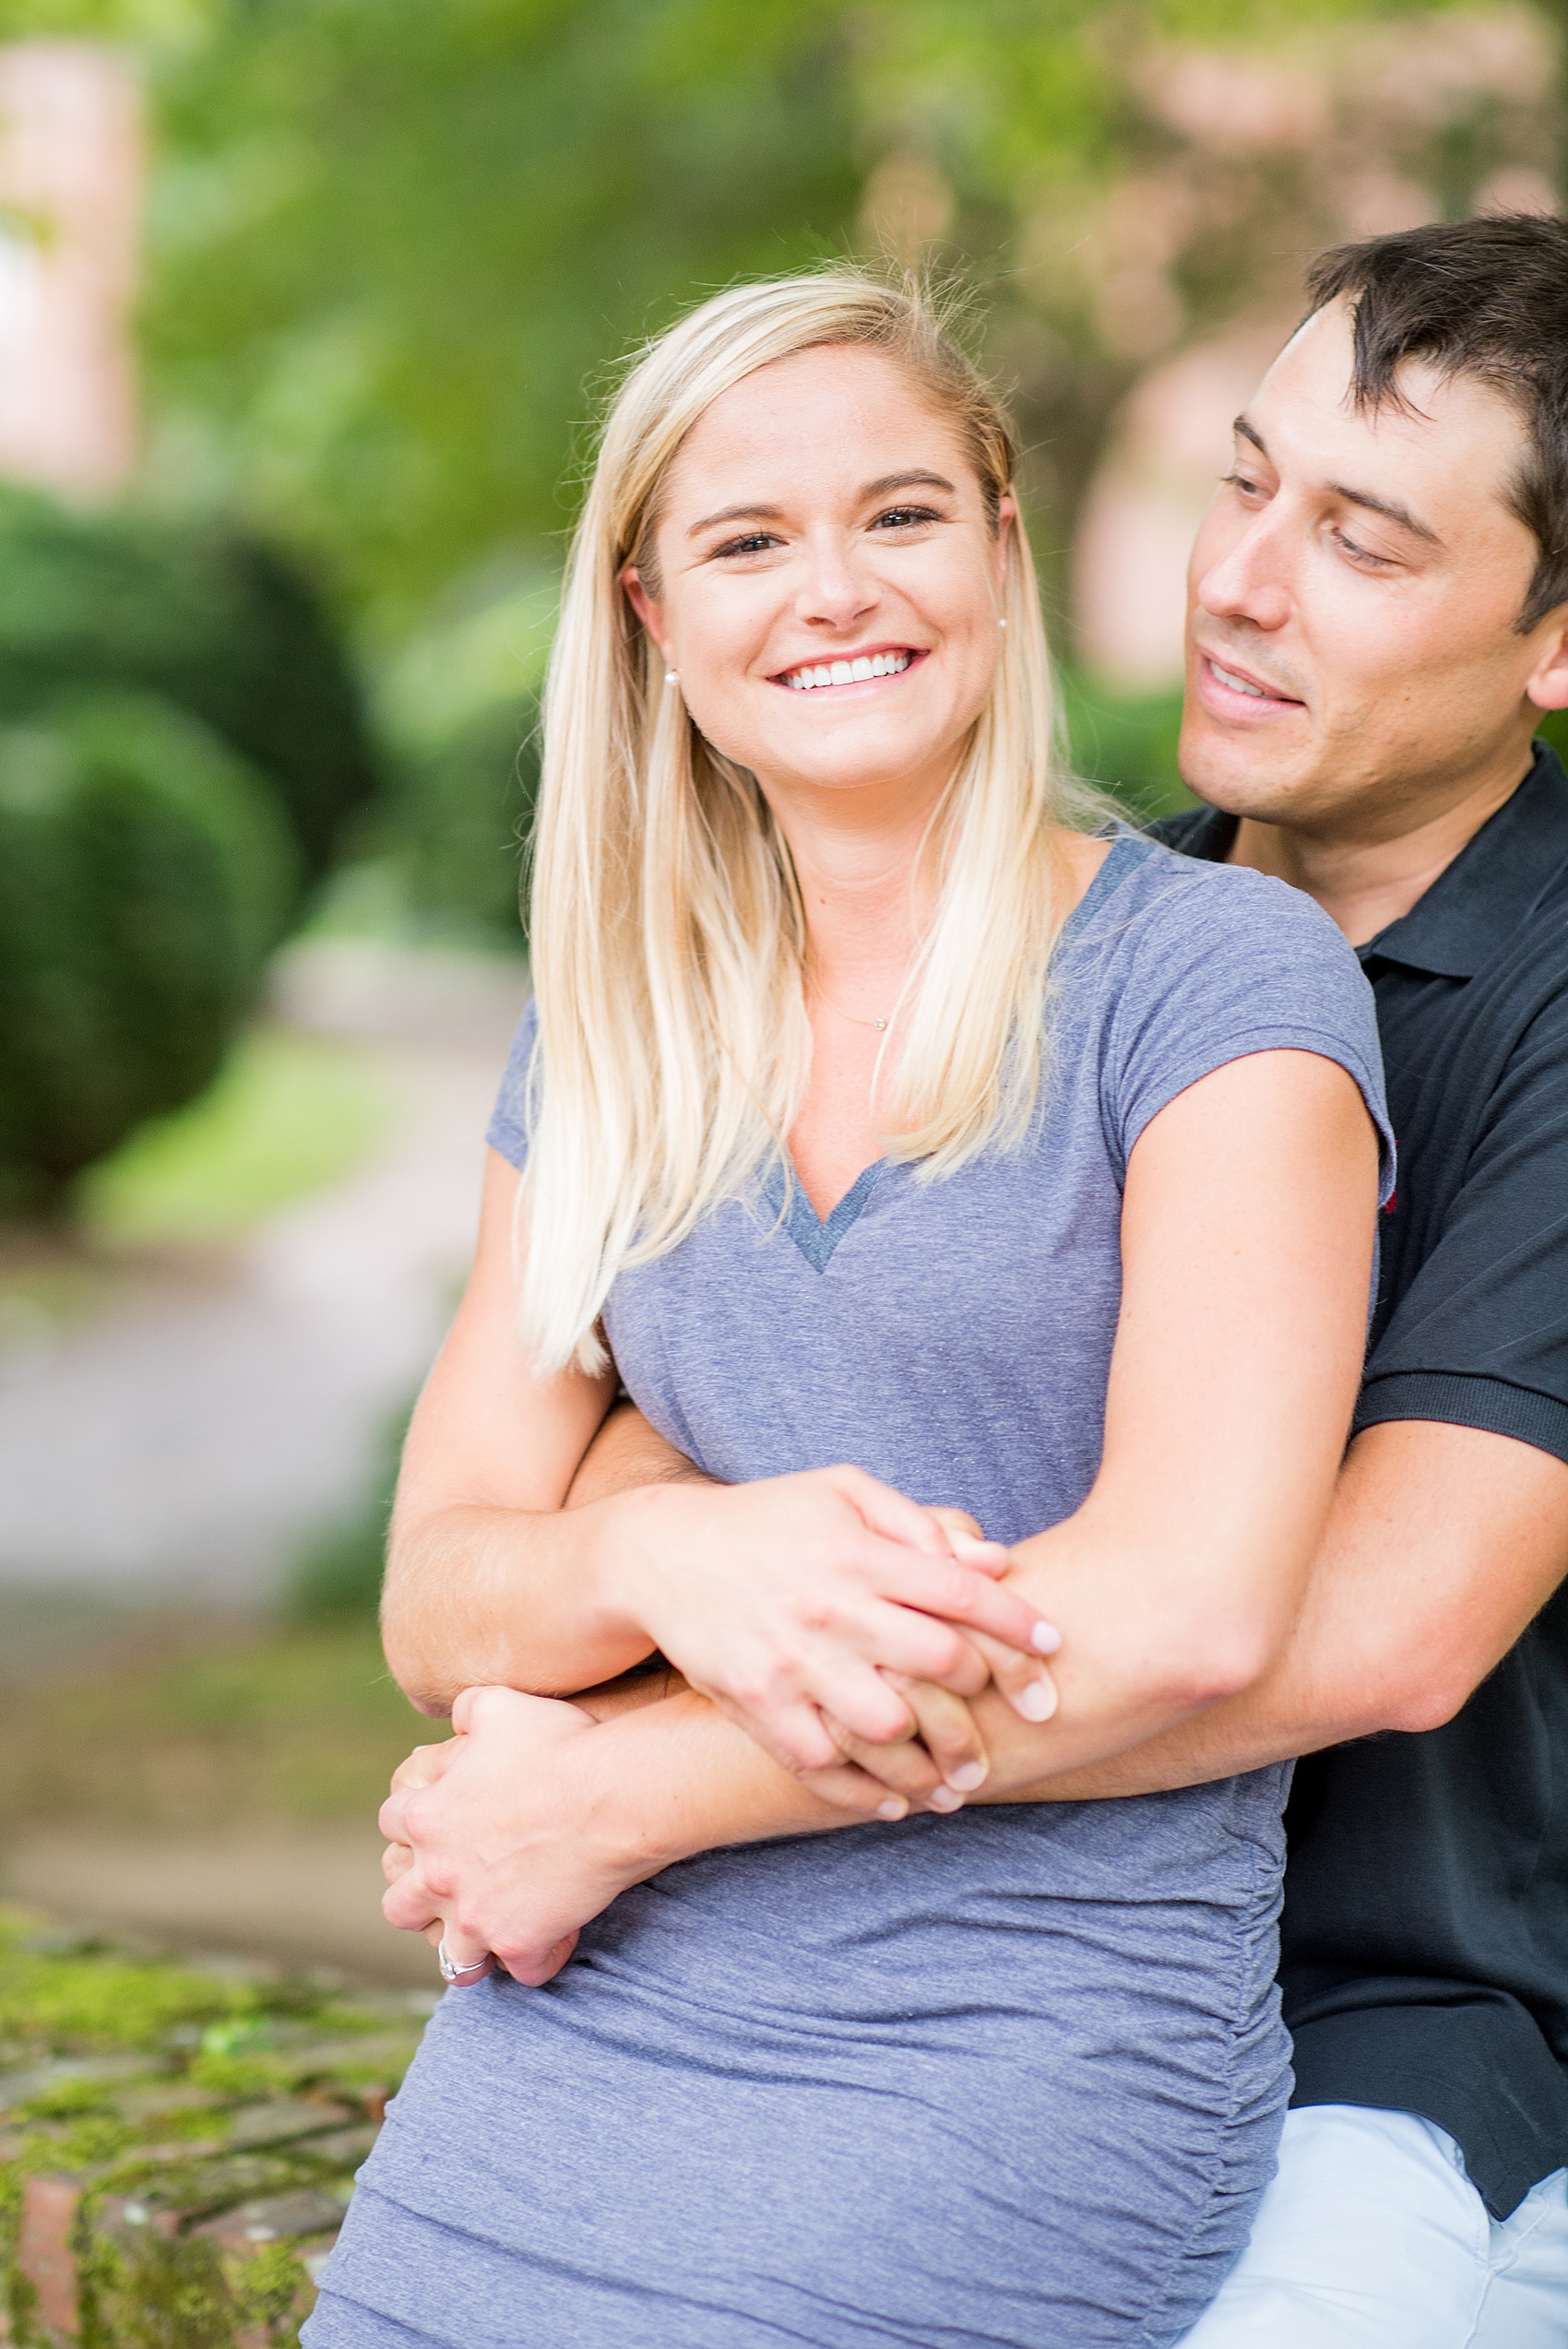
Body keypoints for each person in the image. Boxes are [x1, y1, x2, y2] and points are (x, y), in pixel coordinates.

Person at [301, 268, 1389, 2349]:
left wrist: (617, 1725)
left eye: (898, 512)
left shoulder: (1218, 983)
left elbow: (1187, 1606)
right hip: (580, 2011)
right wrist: (662, 1544)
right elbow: (439, 1597)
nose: (834, 589)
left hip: (1018, 2044)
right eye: (744, 538)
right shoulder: (612, 1033)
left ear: (999, 538)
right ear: (650, 617)